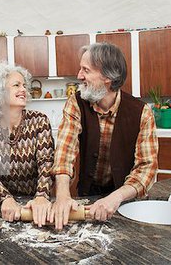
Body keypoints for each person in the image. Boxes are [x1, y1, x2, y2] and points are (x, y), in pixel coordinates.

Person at [49, 42, 158, 229]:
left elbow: (147, 169)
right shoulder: (76, 103)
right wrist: (63, 195)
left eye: (86, 70)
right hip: (87, 195)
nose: (79, 76)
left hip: (125, 200)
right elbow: (64, 153)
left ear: (107, 77)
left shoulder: (142, 112)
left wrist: (116, 197)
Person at [0, 62, 54, 227]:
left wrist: (41, 196)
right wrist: (5, 197)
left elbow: (47, 163)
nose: (24, 89)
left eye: (24, 85)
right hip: (0, 206)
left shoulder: (39, 121)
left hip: (34, 205)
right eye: (16, 85)